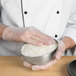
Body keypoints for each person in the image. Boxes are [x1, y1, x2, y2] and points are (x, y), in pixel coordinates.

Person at [0, 0, 76, 70]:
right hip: (9, 60)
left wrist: (63, 44)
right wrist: (8, 32)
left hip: (59, 63)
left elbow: (74, 25)